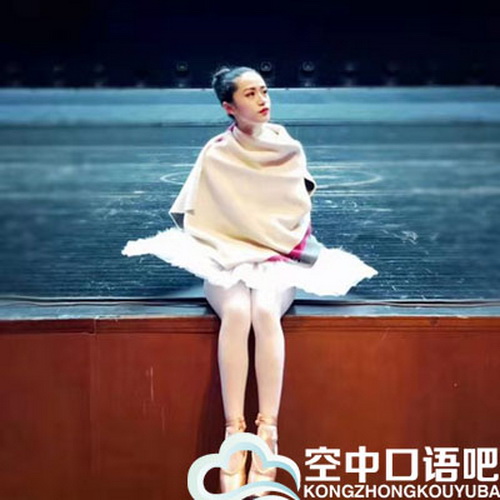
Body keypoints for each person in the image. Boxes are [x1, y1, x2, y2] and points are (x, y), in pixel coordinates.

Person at [122, 65, 377, 496]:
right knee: (238, 312)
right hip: (226, 258)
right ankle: (234, 431)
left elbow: (295, 219)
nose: (262, 100)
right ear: (229, 106)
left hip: (278, 257)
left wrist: (264, 244)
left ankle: (268, 431)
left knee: (264, 311)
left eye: (264, 91)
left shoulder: (287, 147)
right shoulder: (216, 153)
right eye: (250, 94)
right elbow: (202, 221)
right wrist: (236, 245)